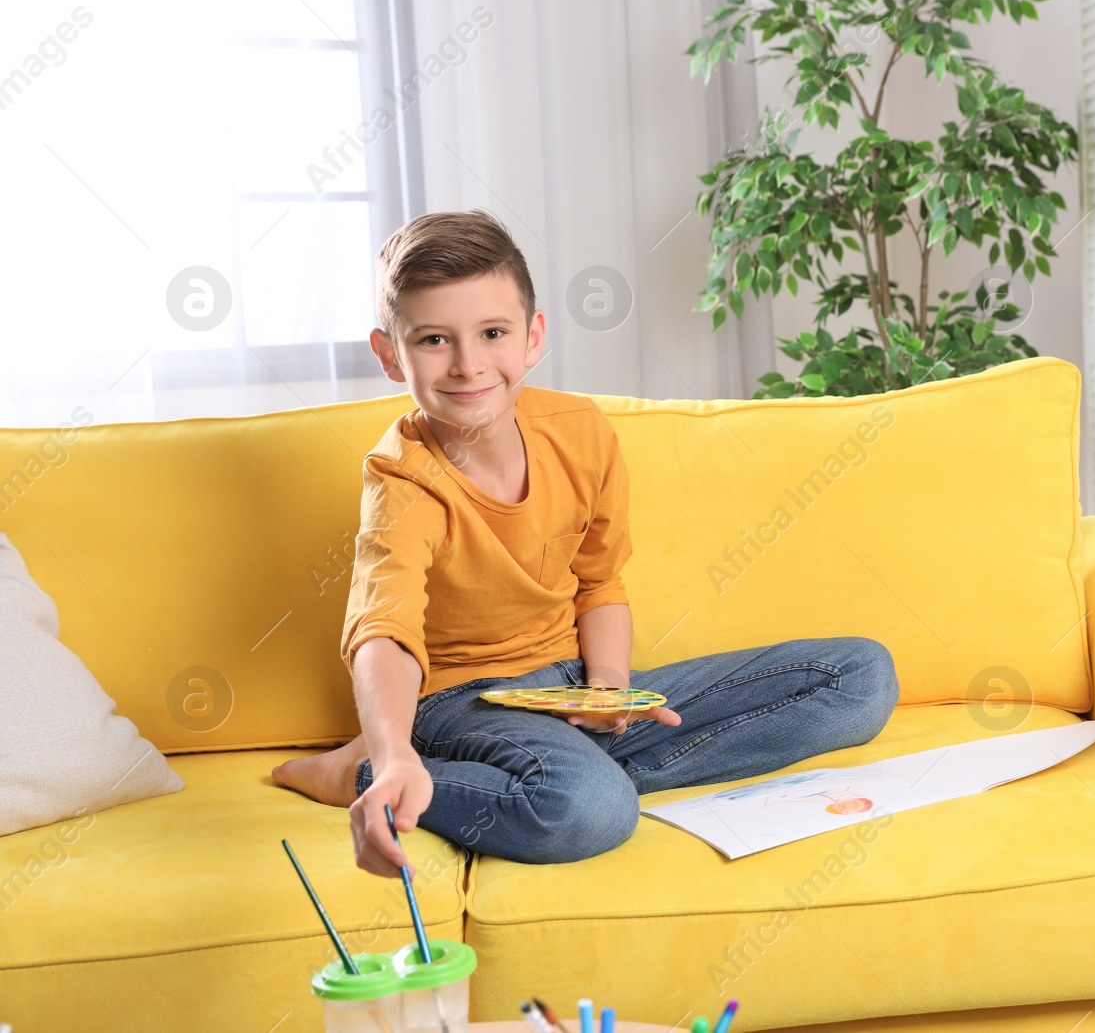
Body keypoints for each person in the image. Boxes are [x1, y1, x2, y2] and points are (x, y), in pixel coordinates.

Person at [271, 210, 898, 876]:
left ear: (532, 336)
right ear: (390, 353)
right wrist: (394, 749)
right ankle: (370, 767)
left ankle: (586, 768)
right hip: (463, 703)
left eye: (492, 333)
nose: (468, 364)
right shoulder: (401, 477)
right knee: (589, 811)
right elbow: (384, 628)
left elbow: (600, 582)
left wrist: (608, 689)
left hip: (570, 688)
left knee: (860, 677)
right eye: (433, 339)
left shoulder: (580, 431)